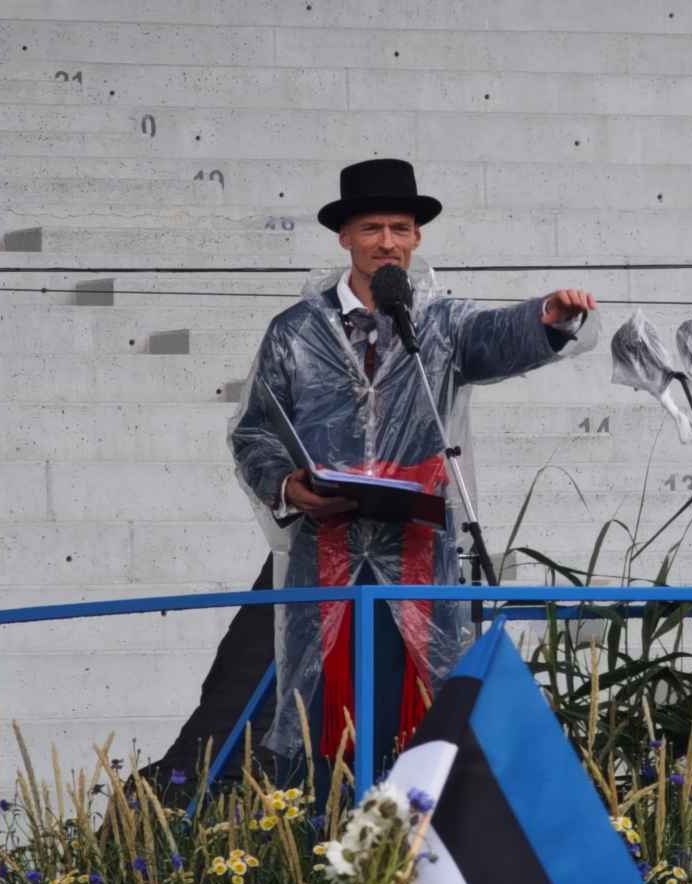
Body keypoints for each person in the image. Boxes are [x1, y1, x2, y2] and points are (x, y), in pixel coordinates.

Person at [230, 158, 596, 770]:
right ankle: (326, 824)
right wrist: (289, 485)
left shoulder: (439, 323)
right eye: (371, 228)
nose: (387, 242)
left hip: (420, 558)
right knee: (323, 719)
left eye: (400, 228)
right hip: (326, 558)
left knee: (426, 717)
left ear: (417, 237)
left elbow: (493, 335)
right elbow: (254, 431)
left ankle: (419, 828)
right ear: (344, 237)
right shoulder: (294, 332)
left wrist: (548, 320)